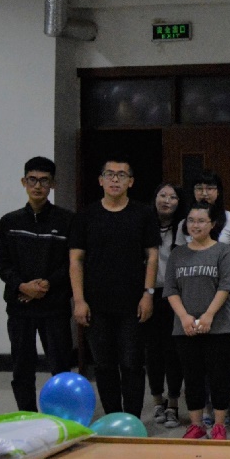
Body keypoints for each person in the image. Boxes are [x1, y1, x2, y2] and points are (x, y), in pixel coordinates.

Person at [69, 157, 160, 419]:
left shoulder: (143, 213)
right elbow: (76, 260)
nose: (115, 179)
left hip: (133, 304)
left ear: (131, 182)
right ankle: (112, 417)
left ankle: (131, 418)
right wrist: (79, 300)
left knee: (132, 363)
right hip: (96, 305)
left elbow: (152, 256)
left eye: (121, 175)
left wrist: (148, 294)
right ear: (101, 180)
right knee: (103, 364)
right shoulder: (85, 216)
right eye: (109, 174)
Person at [0, 156, 74, 413]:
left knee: (60, 366)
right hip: (20, 306)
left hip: (55, 307)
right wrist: (22, 286)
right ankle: (26, 416)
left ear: (53, 184)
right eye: (32, 180)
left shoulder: (67, 221)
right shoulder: (9, 222)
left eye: (44, 180)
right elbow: (2, 263)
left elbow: (72, 263)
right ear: (23, 182)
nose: (38, 186)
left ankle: (62, 417)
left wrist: (46, 285)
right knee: (22, 367)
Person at [165, 201, 230, 440]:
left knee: (219, 376)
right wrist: (184, 317)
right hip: (185, 327)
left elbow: (226, 285)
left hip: (220, 326)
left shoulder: (223, 251)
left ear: (212, 224)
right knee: (192, 377)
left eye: (201, 221)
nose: (195, 225)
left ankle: (219, 425)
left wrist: (208, 315)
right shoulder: (177, 254)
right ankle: (196, 424)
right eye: (191, 221)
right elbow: (171, 289)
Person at [146, 182, 186, 428]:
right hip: (150, 294)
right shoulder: (144, 224)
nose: (167, 201)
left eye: (172, 197)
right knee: (152, 351)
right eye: (162, 195)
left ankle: (173, 404)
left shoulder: (184, 227)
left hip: (176, 296)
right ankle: (157, 401)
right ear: (155, 198)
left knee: (174, 352)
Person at [174, 170, 230, 248]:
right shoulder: (185, 222)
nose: (204, 193)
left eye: (209, 188)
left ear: (218, 191)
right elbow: (180, 252)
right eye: (199, 188)